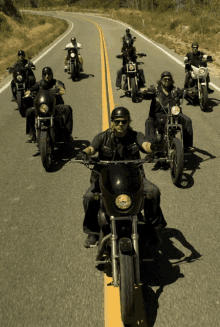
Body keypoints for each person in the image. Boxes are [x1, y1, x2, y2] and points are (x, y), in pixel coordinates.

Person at [75, 107, 167, 248]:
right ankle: (92, 232)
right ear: (112, 122)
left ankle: (151, 228)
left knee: (153, 192)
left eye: (124, 121)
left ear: (128, 121)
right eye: (117, 121)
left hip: (133, 177)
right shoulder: (102, 137)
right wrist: (84, 153)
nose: (120, 124)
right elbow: (92, 148)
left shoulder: (136, 136)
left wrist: (154, 147)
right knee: (89, 197)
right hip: (105, 178)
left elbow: (146, 145)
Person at [145, 71, 194, 153]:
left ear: (172, 81)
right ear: (161, 80)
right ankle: (151, 147)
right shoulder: (156, 90)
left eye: (169, 79)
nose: (167, 81)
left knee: (187, 120)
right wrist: (143, 93)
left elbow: (184, 92)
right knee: (149, 122)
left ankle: (187, 146)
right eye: (165, 79)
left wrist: (191, 93)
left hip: (175, 115)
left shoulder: (175, 90)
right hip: (158, 115)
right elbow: (146, 94)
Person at [25, 67, 73, 143]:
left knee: (67, 108)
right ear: (42, 75)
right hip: (42, 108)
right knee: (29, 111)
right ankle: (32, 134)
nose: (47, 76)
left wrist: (60, 90)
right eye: (45, 74)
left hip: (56, 107)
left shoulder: (56, 82)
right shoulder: (39, 84)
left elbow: (61, 87)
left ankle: (67, 133)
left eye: (49, 74)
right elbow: (30, 89)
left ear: (52, 74)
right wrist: (28, 92)